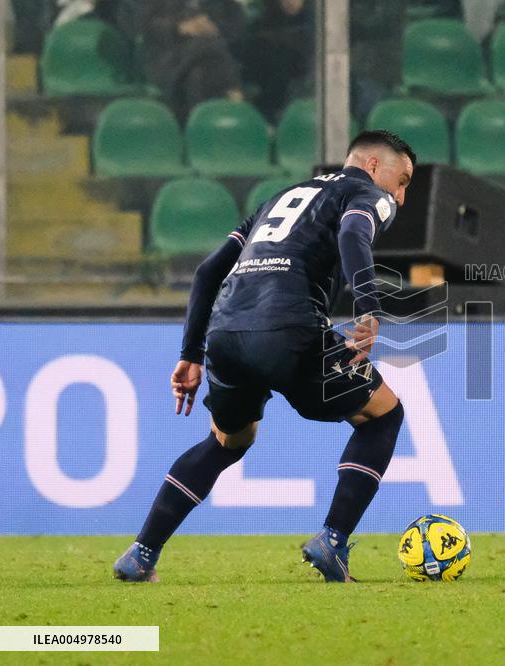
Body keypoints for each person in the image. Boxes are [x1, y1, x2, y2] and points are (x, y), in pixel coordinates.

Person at [113, 130, 416, 583]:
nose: (402, 195)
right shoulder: (368, 193)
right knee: (384, 415)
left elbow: (208, 270)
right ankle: (332, 541)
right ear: (374, 165)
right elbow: (355, 230)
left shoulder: (282, 197)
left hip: (226, 334)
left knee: (227, 441)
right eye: (403, 179)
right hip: (290, 330)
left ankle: (140, 554)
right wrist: (369, 307)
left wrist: (192, 352)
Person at [137, 0, 246, 120]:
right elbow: (144, 24)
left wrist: (214, 28)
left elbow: (236, 20)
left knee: (199, 72)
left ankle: (201, 127)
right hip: (169, 56)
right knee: (207, 47)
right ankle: (233, 92)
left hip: (207, 58)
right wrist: (180, 28)